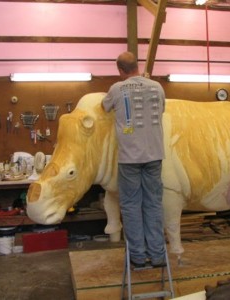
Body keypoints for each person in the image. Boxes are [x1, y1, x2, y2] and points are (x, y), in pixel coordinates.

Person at [102, 51, 166, 268]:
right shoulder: (157, 87)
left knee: (130, 206)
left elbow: (104, 106)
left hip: (129, 159)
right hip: (155, 156)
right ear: (137, 66)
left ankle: (138, 257)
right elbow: (162, 110)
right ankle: (157, 256)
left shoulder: (117, 89)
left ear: (120, 70)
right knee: (154, 204)